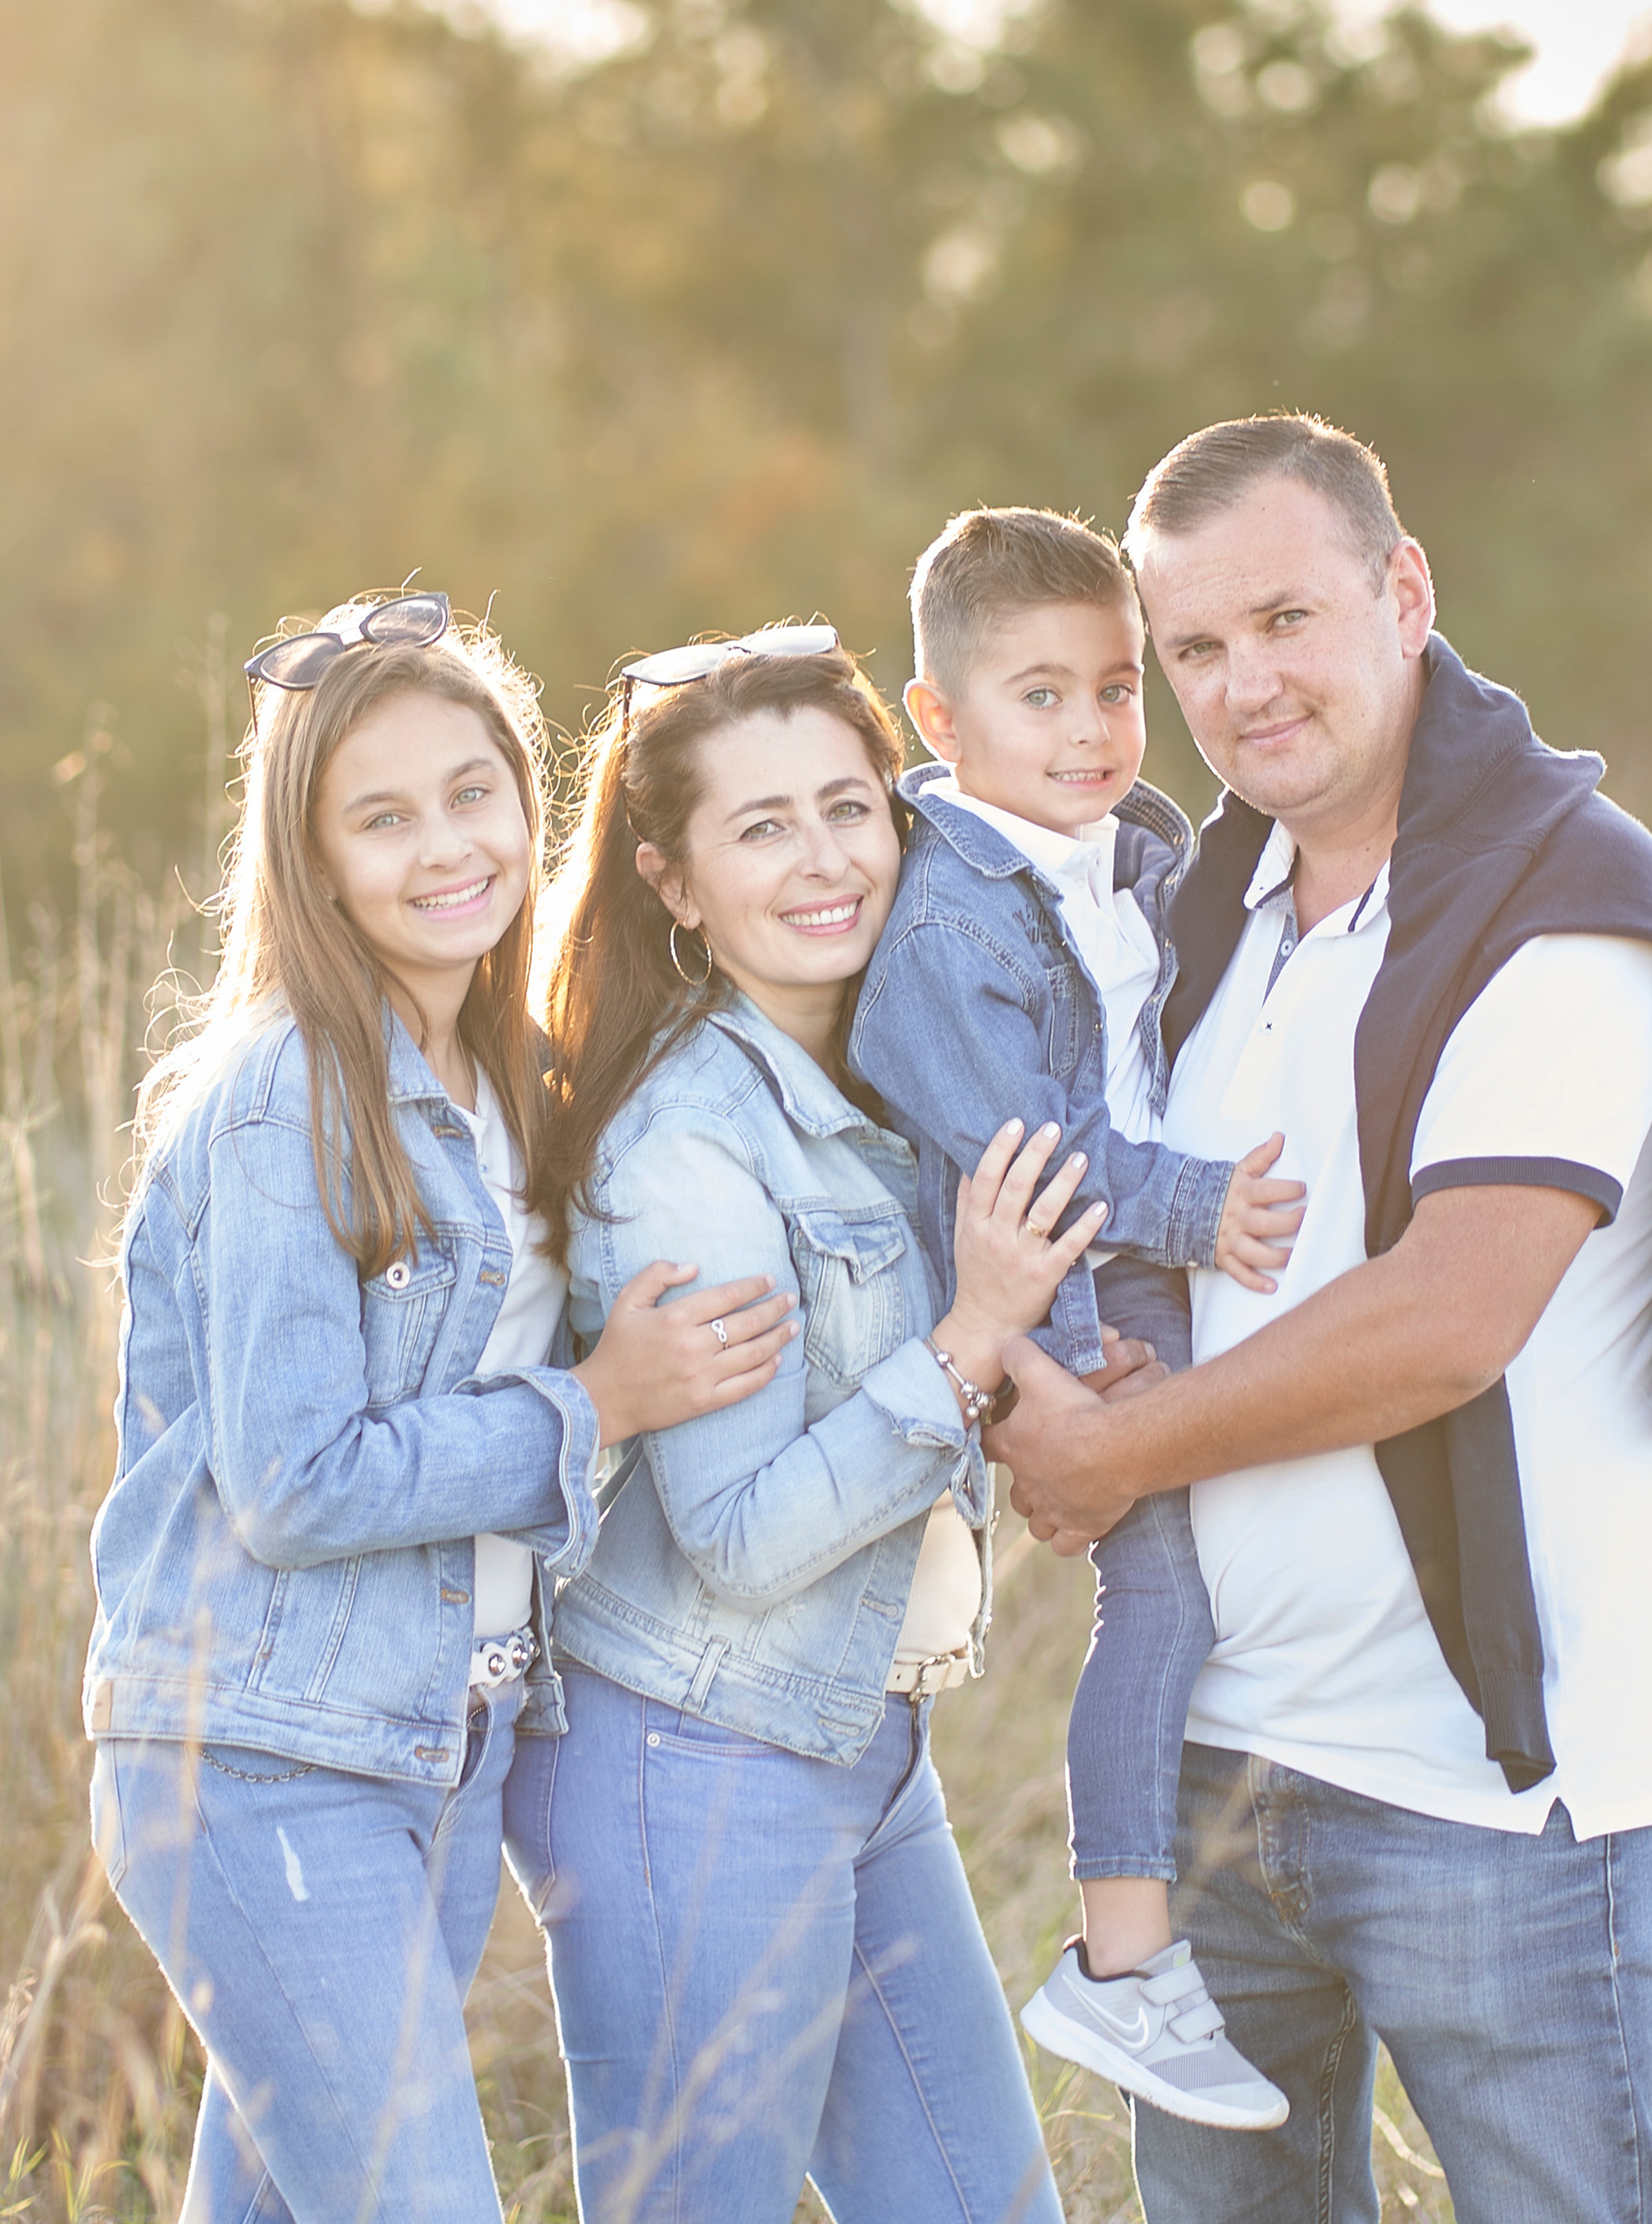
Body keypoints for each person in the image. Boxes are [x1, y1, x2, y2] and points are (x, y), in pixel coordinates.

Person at [989, 417, 1652, 2224]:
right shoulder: (1202, 916)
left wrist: (1113, 1451)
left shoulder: (1569, 903)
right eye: (1195, 650)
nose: (1246, 684)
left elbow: (1449, 1315)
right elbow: (1128, 1244)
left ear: (1406, 591)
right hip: (1214, 1786)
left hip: (1499, 1812)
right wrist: (1044, 1393)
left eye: (1285, 618)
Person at [82, 593, 795, 2224]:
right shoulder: (288, 1099)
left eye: (474, 792)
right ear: (314, 861)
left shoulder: (502, 1081)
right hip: (262, 1760)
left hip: (440, 1749)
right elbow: (293, 1482)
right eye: (381, 818)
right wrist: (592, 1407)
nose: (445, 848)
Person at [509, 626, 1096, 2224]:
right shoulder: (687, 1143)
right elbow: (746, 1533)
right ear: (672, 883)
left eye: (850, 807)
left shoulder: (897, 1075)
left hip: (852, 1740)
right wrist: (972, 1333)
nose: (827, 861)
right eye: (761, 827)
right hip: (686, 1761)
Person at [849, 503, 1302, 2130]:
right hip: (1054, 1289)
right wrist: (1195, 1213)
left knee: (1230, 1575)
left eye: (1114, 688)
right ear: (939, 719)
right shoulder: (948, 923)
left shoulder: (1144, 850)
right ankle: (1120, 1959)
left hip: (1136, 1280)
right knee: (1162, 1594)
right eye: (1037, 696)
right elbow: (1025, 1155)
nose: (1091, 729)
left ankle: (1207, 1912)